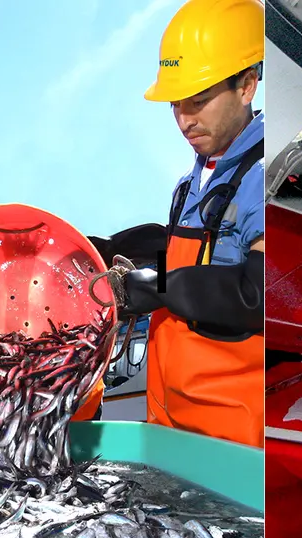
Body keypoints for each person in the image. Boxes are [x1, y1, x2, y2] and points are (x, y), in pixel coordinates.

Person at [90, 0, 264, 447]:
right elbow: (187, 253)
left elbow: (255, 294)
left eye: (199, 101)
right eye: (175, 104)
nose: (186, 119)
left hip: (230, 435)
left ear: (247, 86)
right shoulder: (192, 180)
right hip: (170, 420)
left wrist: (156, 286)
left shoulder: (267, 175)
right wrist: (101, 251)